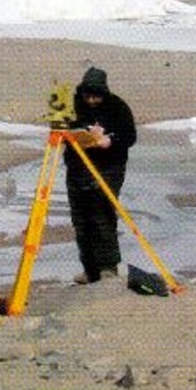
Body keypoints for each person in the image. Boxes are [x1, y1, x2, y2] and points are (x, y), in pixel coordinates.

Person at [63, 66, 137, 284]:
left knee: (101, 215)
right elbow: (66, 130)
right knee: (81, 220)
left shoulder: (117, 106)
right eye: (88, 95)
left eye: (96, 96)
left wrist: (108, 141)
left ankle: (108, 267)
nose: (92, 100)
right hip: (78, 168)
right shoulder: (73, 105)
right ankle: (90, 270)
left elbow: (129, 137)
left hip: (109, 167)